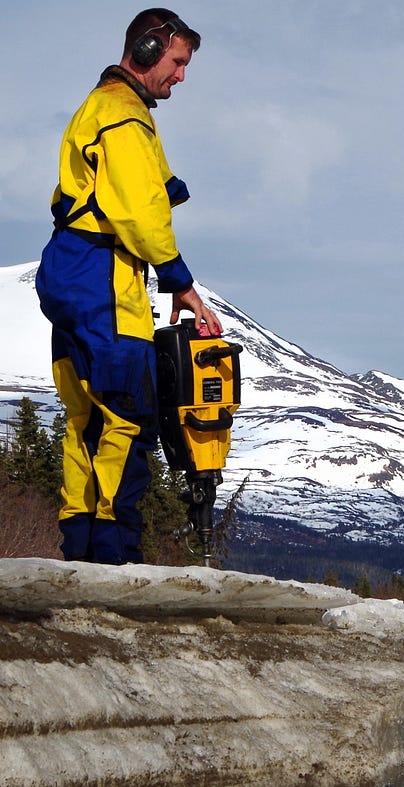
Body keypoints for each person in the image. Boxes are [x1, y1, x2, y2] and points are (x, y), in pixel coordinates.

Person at [35, 8, 222, 565]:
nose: (182, 76)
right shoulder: (123, 116)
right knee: (126, 417)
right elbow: (141, 212)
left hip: (71, 271)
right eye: (177, 62)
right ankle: (115, 561)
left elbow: (150, 185)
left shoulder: (102, 108)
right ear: (145, 50)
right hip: (103, 278)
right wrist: (181, 284)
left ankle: (83, 553)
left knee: (86, 420)